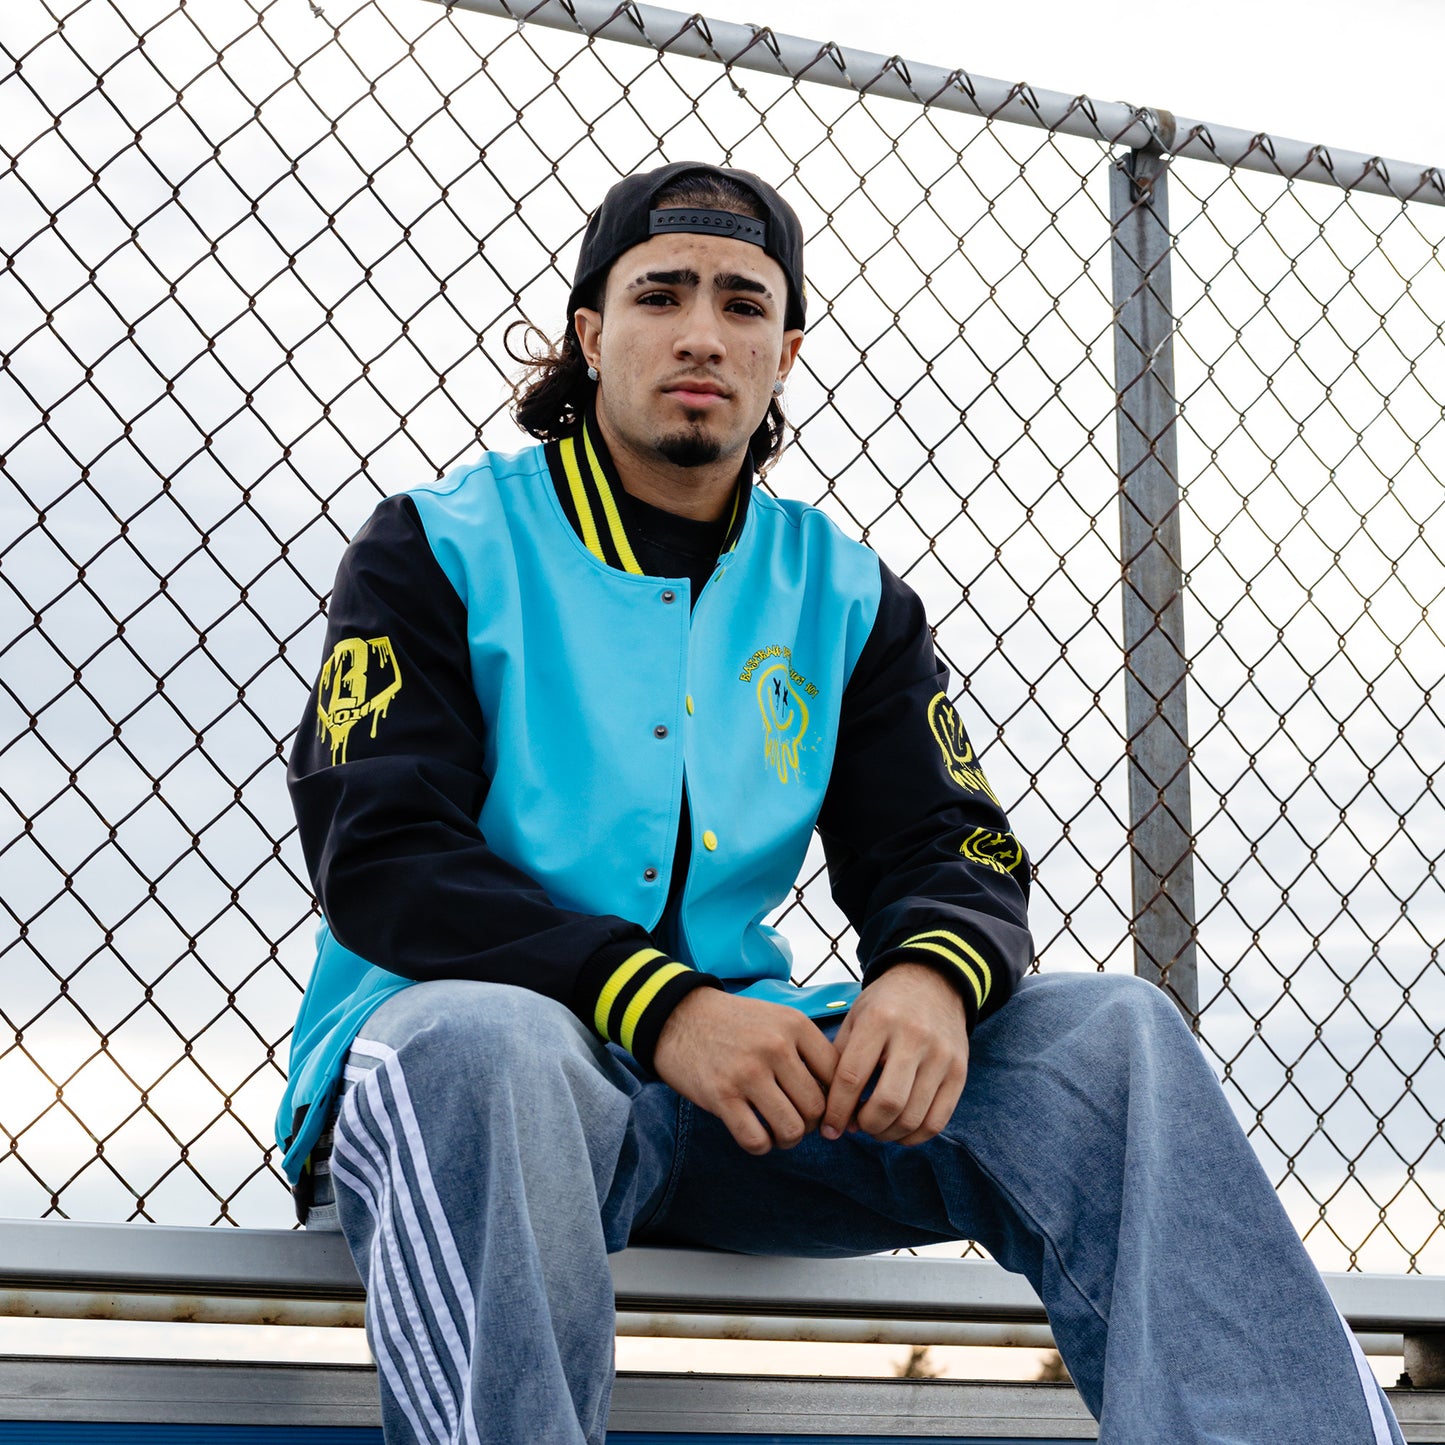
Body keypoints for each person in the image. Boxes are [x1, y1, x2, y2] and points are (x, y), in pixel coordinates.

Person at [275, 161, 1403, 1445]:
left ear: (785, 353)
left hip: (740, 1097)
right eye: (661, 295)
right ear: (590, 336)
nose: (703, 334)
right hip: (472, 1087)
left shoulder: (841, 588)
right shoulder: (439, 542)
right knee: (488, 1046)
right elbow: (383, 852)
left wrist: (930, 973)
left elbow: (946, 837)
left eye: (743, 305)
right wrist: (659, 1004)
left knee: (1112, 1038)